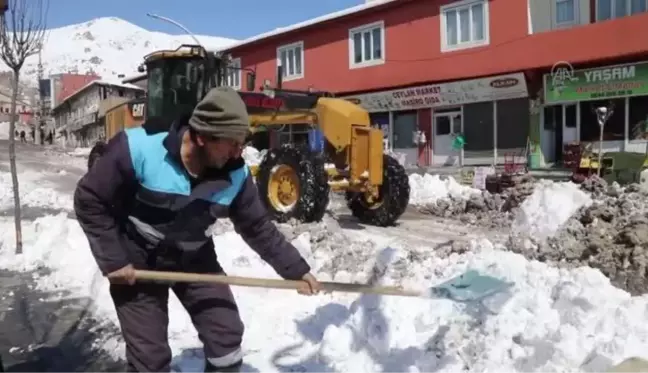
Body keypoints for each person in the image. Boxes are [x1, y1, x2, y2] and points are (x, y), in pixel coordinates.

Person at [73, 87, 321, 373]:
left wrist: (296, 270)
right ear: (201, 136)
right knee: (150, 360)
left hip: (194, 257)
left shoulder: (235, 174)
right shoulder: (139, 149)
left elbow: (257, 227)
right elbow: (89, 200)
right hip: (138, 262)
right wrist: (114, 259)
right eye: (232, 144)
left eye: (242, 143)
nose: (239, 153)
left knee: (226, 336)